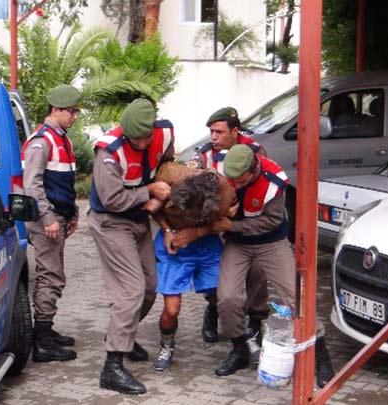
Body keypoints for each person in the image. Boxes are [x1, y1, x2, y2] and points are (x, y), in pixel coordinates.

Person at [212, 144, 335, 387]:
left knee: (295, 296)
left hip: (271, 242)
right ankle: (239, 349)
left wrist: (231, 225)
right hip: (237, 244)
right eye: (231, 179)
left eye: (239, 180)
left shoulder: (274, 181)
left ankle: (321, 355)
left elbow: (271, 222)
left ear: (252, 170)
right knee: (227, 298)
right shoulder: (222, 165)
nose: (233, 184)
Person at [88, 98, 173, 394]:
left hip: (139, 221)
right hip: (111, 221)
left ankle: (122, 334)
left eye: (144, 137)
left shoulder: (164, 133)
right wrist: (149, 191)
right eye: (133, 138)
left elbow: (166, 163)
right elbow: (112, 199)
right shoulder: (108, 152)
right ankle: (112, 367)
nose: (140, 143)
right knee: (131, 290)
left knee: (150, 286)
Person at [190, 107, 270, 362]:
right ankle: (213, 307)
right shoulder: (205, 153)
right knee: (214, 268)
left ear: (235, 132)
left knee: (257, 272)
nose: (213, 137)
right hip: (215, 219)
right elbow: (195, 184)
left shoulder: (255, 151)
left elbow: (262, 183)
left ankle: (255, 323)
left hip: (247, 218)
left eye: (219, 132)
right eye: (211, 131)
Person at [148, 162, 236, 371]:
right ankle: (167, 345)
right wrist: (168, 230)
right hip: (174, 245)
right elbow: (153, 209)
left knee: (222, 296)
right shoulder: (169, 175)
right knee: (172, 309)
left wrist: (197, 232)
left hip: (206, 244)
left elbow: (224, 220)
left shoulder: (223, 191)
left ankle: (212, 312)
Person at [21, 84, 81, 363]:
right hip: (46, 221)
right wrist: (49, 218)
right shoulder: (41, 142)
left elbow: (66, 182)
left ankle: (45, 331)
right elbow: (32, 186)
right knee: (51, 277)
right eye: (71, 111)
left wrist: (73, 214)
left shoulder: (62, 139)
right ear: (55, 110)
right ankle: (42, 341)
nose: (75, 116)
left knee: (53, 275)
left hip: (58, 218)